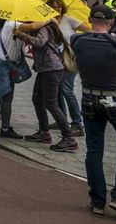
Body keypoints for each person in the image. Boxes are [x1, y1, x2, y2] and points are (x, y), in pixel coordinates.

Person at [70, 5, 116, 215]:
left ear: (91, 20)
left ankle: (98, 201)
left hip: (89, 98)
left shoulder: (78, 41)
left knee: (94, 150)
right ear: (111, 23)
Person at [17, 19, 77, 152]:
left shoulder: (45, 28)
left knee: (51, 103)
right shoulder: (44, 27)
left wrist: (20, 34)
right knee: (37, 100)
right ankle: (44, 132)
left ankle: (69, 138)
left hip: (51, 68)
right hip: (44, 68)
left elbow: (39, 43)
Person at [44, 0, 87, 137]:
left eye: (59, 6)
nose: (57, 9)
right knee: (57, 92)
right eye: (54, 6)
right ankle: (61, 120)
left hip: (68, 60)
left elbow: (88, 30)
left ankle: (77, 124)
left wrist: (77, 45)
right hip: (54, 61)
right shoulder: (47, 22)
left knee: (67, 90)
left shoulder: (68, 19)